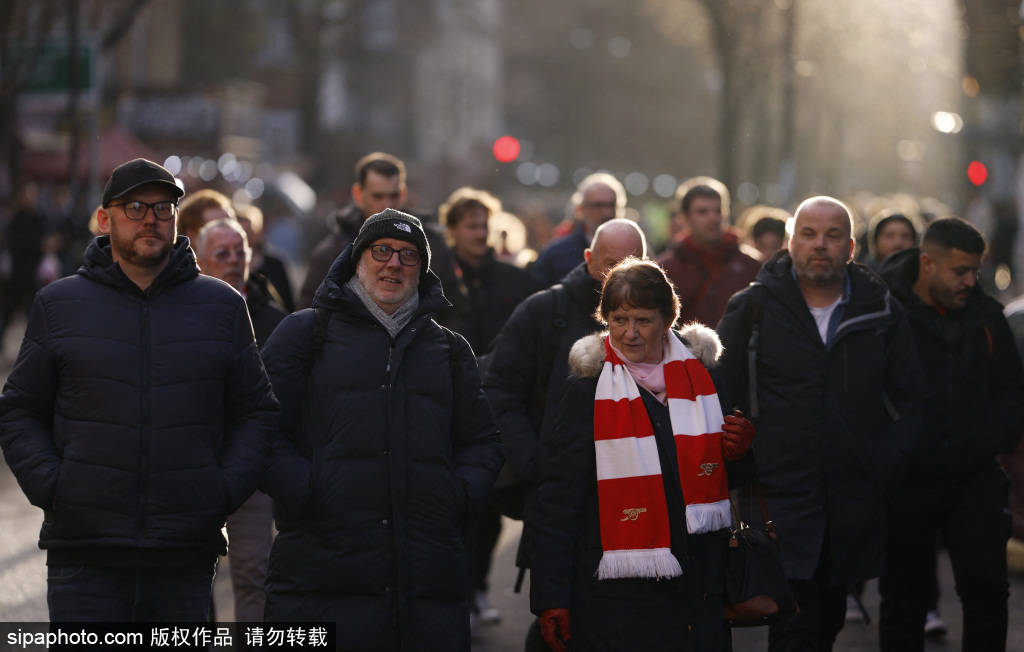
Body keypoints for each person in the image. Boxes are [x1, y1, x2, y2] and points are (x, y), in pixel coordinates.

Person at [0, 158, 278, 621]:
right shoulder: (60, 305)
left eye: (163, 207)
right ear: (105, 220)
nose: (150, 218)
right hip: (84, 555)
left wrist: (220, 490)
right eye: (134, 207)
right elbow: (19, 410)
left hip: (183, 556)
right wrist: (55, 486)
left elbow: (257, 413)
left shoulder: (221, 307)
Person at [260, 208, 504, 650]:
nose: (394, 264)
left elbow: (483, 443)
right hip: (321, 568)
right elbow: (262, 429)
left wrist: (455, 496)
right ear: (357, 260)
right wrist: (307, 490)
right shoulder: (304, 334)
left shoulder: (448, 349)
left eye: (409, 256)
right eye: (382, 250)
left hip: (426, 577)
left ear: (422, 271)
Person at [714, 195, 926, 651]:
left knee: (826, 619)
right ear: (790, 243)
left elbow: (909, 396)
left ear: (850, 247)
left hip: (852, 500)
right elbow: (718, 392)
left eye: (832, 236)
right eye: (808, 234)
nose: (820, 245)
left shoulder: (880, 310)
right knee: (794, 627)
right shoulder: (752, 308)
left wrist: (885, 459)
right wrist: (744, 460)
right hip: (778, 498)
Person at [529, 258, 755, 651]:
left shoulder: (703, 380)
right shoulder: (588, 390)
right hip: (616, 598)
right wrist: (551, 599)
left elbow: (725, 485)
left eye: (643, 321)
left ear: (669, 319)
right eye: (619, 319)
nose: (630, 334)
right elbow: (557, 502)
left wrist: (740, 454)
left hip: (697, 589)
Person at [877, 218, 1024, 652]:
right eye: (959, 270)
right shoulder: (884, 311)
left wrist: (990, 441)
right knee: (903, 601)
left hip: (974, 477)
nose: (968, 281)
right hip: (906, 481)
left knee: (987, 595)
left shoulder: (986, 317)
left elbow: (1011, 390)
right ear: (927, 263)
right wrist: (896, 450)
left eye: (974, 271)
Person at [433, 186, 535, 626]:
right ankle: (454, 591)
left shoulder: (514, 280)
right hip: (444, 407)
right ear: (453, 230)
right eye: (470, 225)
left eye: (484, 225)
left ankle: (476, 587)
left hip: (494, 406)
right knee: (452, 508)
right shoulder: (434, 280)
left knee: (490, 506)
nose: (479, 233)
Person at [194, 218, 286, 623]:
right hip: (192, 465)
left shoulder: (274, 319)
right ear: (199, 259)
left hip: (253, 468)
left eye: (240, 251)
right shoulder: (181, 312)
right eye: (222, 253)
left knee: (254, 573)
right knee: (192, 577)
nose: (233, 261)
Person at [297, 152, 455, 309]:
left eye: (393, 195)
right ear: (358, 194)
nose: (387, 204)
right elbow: (310, 314)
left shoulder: (434, 246)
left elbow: (452, 309)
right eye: (378, 196)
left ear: (403, 193)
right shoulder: (331, 253)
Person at [657, 177, 762, 326]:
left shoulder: (751, 265)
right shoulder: (665, 269)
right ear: (685, 217)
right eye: (702, 212)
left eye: (718, 210)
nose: (713, 218)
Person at [530, 173, 626, 287]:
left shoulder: (634, 249)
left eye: (611, 205)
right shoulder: (555, 254)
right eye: (598, 205)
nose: (607, 213)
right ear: (580, 209)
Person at [236, 203, 296, 313]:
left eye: (249, 232)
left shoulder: (275, 264)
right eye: (240, 233)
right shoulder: (229, 263)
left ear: (259, 231)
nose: (245, 238)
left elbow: (288, 303)